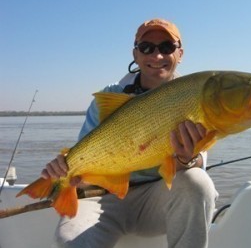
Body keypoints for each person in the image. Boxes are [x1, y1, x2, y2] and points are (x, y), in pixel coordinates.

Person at [42, 18, 218, 248]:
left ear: (180, 53)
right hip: (103, 199)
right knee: (72, 242)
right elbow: (84, 168)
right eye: (146, 48)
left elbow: (193, 171)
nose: (156, 56)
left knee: (197, 181)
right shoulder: (110, 97)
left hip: (158, 202)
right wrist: (66, 171)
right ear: (135, 54)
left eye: (166, 47)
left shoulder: (195, 96)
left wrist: (187, 158)